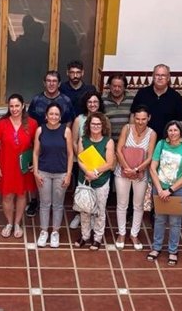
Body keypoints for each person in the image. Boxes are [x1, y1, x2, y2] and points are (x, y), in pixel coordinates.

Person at [26, 71, 75, 218]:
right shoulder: (36, 100)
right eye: (48, 80)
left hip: (58, 143)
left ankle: (55, 206)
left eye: (54, 81)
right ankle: (34, 201)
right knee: (35, 173)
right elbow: (30, 122)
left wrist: (65, 139)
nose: (51, 83)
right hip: (39, 141)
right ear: (44, 82)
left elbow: (69, 122)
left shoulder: (66, 100)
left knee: (56, 177)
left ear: (59, 83)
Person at [147, 121, 182, 266]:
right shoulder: (161, 144)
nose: (172, 133)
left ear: (181, 132)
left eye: (175, 130)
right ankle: (156, 247)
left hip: (178, 190)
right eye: (170, 130)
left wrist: (170, 190)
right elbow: (153, 168)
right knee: (159, 219)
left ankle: (173, 250)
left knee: (175, 222)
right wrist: (160, 189)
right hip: (160, 188)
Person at [0, 93, 38, 239]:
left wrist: (33, 164)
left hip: (23, 166)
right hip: (5, 164)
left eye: (17, 105)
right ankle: (9, 223)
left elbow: (36, 147)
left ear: (23, 106)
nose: (14, 109)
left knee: (21, 194)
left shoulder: (32, 123)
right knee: (7, 196)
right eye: (11, 106)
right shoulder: (2, 123)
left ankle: (18, 223)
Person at [115, 105, 157, 250]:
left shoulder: (152, 134)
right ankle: (121, 233)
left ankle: (134, 234)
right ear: (133, 118)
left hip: (141, 173)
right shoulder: (126, 129)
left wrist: (137, 169)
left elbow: (150, 156)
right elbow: (119, 150)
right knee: (122, 203)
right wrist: (127, 168)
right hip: (123, 171)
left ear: (149, 118)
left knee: (138, 205)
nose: (140, 122)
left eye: (143, 119)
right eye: (137, 119)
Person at [33, 103, 73, 248]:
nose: (54, 117)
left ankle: (55, 232)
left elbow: (70, 154)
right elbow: (36, 153)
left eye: (56, 114)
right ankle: (44, 231)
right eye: (51, 114)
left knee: (58, 204)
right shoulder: (40, 130)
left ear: (60, 116)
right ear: (46, 115)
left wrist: (68, 174)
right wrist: (36, 172)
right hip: (43, 172)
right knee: (44, 204)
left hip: (61, 173)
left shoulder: (66, 131)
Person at [74, 112, 115, 251]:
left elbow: (110, 163)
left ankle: (97, 237)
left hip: (101, 180)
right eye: (93, 124)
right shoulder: (82, 139)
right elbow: (80, 158)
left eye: (98, 124)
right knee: (84, 209)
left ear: (103, 125)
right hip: (84, 179)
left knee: (99, 210)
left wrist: (95, 173)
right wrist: (88, 172)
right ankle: (85, 236)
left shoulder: (108, 141)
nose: (96, 126)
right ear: (88, 125)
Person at [69, 91, 105, 229]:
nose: (92, 104)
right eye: (89, 102)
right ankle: (80, 214)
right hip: (82, 162)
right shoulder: (79, 119)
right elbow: (73, 140)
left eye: (95, 102)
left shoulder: (104, 119)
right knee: (82, 189)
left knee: (97, 191)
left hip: (99, 163)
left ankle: (95, 217)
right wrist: (80, 157)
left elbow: (106, 140)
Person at [131, 64, 182, 138]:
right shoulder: (142, 93)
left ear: (168, 78)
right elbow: (133, 116)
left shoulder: (176, 97)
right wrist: (132, 135)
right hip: (143, 138)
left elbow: (180, 122)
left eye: (163, 75)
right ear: (153, 76)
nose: (160, 78)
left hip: (167, 140)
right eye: (157, 75)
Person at [104, 73, 133, 144]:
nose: (117, 89)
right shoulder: (102, 100)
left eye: (120, 86)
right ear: (109, 86)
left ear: (124, 87)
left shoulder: (132, 99)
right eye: (114, 86)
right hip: (108, 141)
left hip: (127, 142)